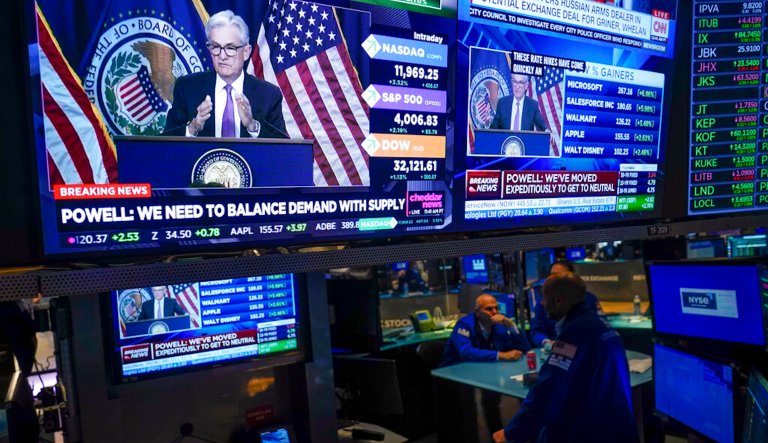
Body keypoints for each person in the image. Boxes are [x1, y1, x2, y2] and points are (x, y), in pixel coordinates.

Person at [493, 272, 638, 443]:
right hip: (615, 428)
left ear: (559, 301)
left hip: (588, 431)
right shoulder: (601, 325)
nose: (541, 303)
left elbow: (549, 390)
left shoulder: (573, 334)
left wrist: (512, 432)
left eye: (544, 298)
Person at [163, 10, 287, 139]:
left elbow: (283, 149)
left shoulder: (268, 95)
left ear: (246, 52)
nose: (222, 56)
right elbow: (164, 145)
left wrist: (252, 126)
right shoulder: (187, 88)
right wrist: (193, 127)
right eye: (216, 47)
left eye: (230, 48)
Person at [440, 294, 531, 433]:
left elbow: (525, 348)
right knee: (468, 412)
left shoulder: (499, 326)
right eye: (489, 309)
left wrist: (510, 325)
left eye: (496, 308)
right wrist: (501, 355)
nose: (495, 312)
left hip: (482, 370)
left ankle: (496, 431)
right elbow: (466, 352)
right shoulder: (464, 324)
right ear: (477, 311)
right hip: (455, 375)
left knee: (493, 399)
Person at [530, 260, 602, 347]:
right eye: (552, 275)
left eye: (560, 275)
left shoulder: (589, 299)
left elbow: (598, 329)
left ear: (571, 277)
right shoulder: (544, 301)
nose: (555, 279)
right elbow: (535, 331)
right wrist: (547, 343)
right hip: (553, 350)